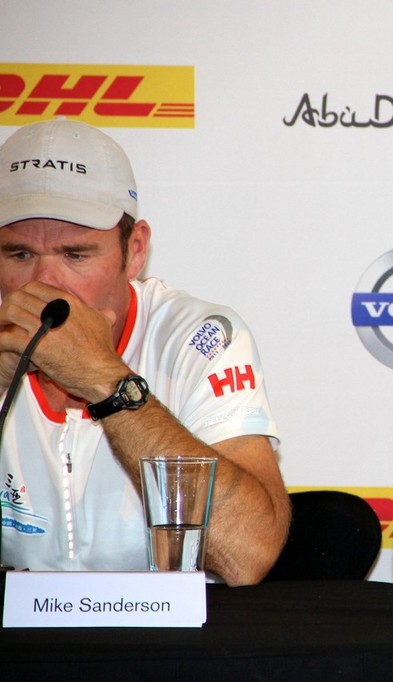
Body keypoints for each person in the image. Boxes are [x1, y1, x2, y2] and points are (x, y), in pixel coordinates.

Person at [0, 119, 290, 586]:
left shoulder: (198, 337)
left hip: (161, 649)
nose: (44, 283)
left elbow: (247, 553)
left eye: (75, 255)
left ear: (134, 251)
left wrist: (106, 383)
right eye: (18, 255)